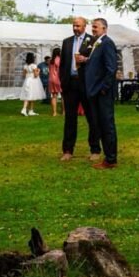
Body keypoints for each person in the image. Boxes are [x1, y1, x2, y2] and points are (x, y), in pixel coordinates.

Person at [59, 17, 101, 162]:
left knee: (92, 118)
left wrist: (86, 60)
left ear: (85, 26)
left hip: (86, 85)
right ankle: (68, 150)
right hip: (70, 85)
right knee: (70, 119)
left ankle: (95, 149)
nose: (75, 28)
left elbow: (97, 63)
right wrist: (63, 82)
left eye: (78, 26)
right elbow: (63, 64)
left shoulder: (93, 41)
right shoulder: (67, 42)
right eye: (74, 25)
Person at [83, 18, 119, 169]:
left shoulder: (107, 43)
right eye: (92, 28)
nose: (93, 30)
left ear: (104, 28)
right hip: (95, 91)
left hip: (102, 92)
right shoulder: (97, 43)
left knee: (107, 125)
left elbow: (111, 68)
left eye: (96, 27)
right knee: (101, 125)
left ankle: (110, 159)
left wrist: (104, 88)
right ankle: (108, 157)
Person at [46, 47, 62, 117]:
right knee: (63, 96)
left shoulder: (50, 60)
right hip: (58, 79)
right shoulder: (59, 60)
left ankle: (54, 113)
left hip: (51, 79)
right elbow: (60, 70)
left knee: (54, 96)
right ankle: (64, 111)